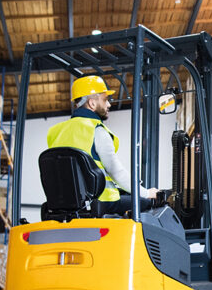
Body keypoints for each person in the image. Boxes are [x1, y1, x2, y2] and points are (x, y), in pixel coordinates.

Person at [47, 75, 157, 215]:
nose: (109, 105)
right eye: (105, 100)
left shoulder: (54, 132)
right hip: (101, 201)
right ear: (92, 103)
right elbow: (116, 171)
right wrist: (147, 193)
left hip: (66, 204)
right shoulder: (96, 130)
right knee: (151, 205)